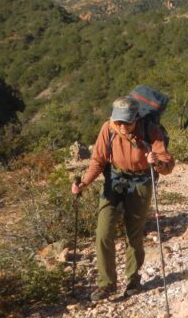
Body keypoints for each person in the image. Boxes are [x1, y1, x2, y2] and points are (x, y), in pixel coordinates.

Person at [71, 96, 175, 301]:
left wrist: (156, 164)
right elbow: (98, 161)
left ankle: (133, 281)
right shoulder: (108, 129)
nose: (123, 126)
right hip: (115, 179)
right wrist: (83, 182)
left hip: (141, 182)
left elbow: (167, 165)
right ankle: (106, 284)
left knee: (133, 234)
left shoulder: (151, 131)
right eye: (118, 122)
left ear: (136, 118)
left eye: (127, 122)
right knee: (103, 232)